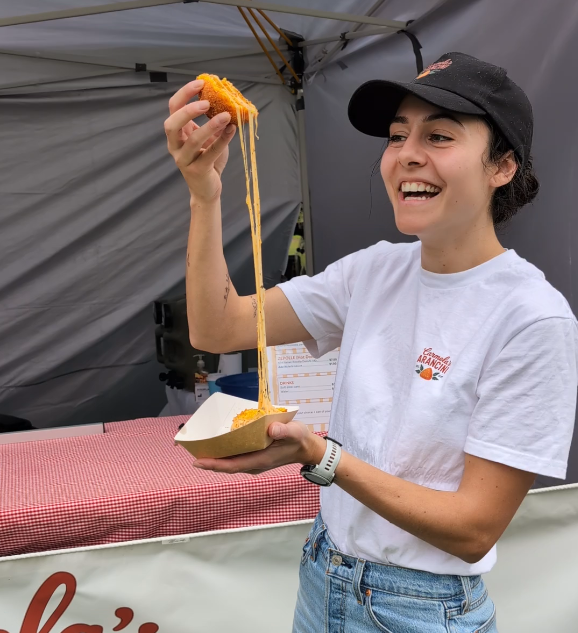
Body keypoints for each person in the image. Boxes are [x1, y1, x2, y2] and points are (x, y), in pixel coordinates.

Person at [164, 52, 578, 632]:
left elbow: (473, 527)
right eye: (396, 135)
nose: (408, 153)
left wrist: (323, 457)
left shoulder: (530, 318)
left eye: (438, 135)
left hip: (421, 609)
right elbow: (219, 326)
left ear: (502, 166)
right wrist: (204, 194)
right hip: (323, 570)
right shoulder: (373, 272)